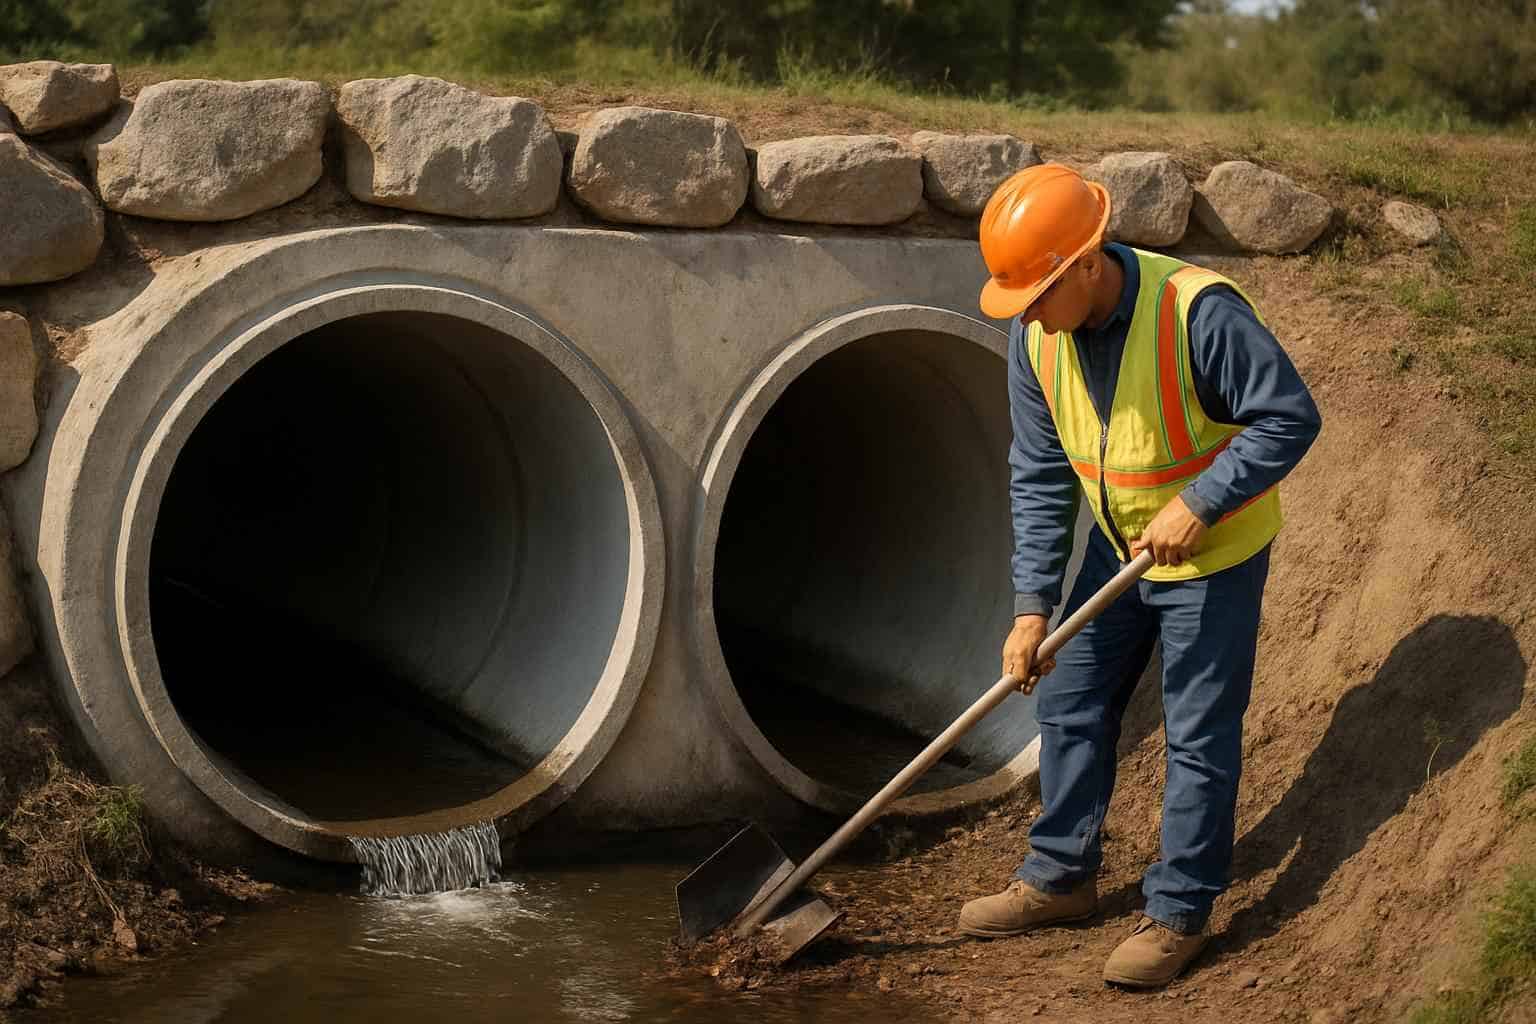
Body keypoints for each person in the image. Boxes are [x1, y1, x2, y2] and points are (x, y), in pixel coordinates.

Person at [956, 163, 1321, 988]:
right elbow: (1040, 473)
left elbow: (1290, 416)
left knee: (1198, 734)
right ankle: (1060, 877)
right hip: (1120, 552)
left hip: (1213, 557)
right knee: (1071, 696)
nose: (1032, 316)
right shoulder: (1035, 337)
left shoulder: (1199, 313)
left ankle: (1179, 912)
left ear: (1088, 261)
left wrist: (1204, 502)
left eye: (1041, 293)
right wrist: (1030, 608)